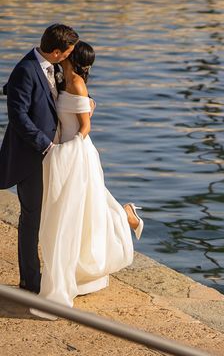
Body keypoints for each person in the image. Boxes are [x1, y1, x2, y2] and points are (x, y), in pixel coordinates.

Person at [34, 40, 144, 313]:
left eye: (69, 53)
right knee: (80, 214)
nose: (64, 54)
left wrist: (70, 148)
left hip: (78, 154)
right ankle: (123, 216)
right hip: (63, 152)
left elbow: (85, 126)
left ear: (74, 57)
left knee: (81, 212)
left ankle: (126, 214)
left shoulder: (77, 84)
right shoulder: (62, 79)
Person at [0, 23, 79, 294]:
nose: (70, 55)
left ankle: (48, 271)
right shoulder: (25, 70)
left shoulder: (53, 67)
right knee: (31, 217)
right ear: (56, 52)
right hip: (33, 156)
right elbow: (18, 117)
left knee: (52, 214)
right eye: (68, 52)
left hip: (56, 155)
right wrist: (45, 145)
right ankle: (29, 280)